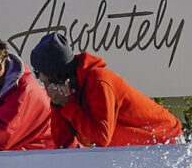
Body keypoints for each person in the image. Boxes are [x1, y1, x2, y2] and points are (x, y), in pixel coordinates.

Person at [31, 32, 183, 148]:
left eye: (38, 73)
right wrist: (59, 106)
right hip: (136, 150)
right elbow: (63, 146)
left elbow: (101, 137)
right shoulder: (69, 90)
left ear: (52, 73)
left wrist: (68, 105)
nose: (39, 79)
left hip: (165, 143)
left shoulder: (99, 81)